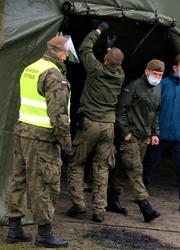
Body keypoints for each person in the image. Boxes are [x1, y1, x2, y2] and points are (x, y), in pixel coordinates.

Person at [5, 35, 77, 248]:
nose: (66, 59)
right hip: (43, 138)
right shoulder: (54, 76)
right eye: (66, 55)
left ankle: (14, 229)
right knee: (45, 184)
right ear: (62, 54)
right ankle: (44, 233)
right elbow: (59, 114)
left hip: (22, 132)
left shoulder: (31, 68)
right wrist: (66, 143)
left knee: (18, 180)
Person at [67, 21, 125, 223]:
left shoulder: (95, 70)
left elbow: (84, 48)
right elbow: (113, 62)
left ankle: (78, 204)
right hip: (108, 127)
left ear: (104, 59)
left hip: (90, 123)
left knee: (76, 163)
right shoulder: (120, 75)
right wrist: (110, 49)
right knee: (102, 168)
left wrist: (98, 31)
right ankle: (99, 210)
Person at [107, 59, 164, 222]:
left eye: (160, 75)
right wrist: (125, 133)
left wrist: (154, 133)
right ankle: (145, 207)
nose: (158, 77)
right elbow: (121, 110)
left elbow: (155, 113)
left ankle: (112, 199)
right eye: (155, 74)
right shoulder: (133, 87)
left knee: (125, 169)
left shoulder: (157, 90)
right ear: (147, 71)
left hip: (143, 138)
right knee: (136, 170)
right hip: (131, 137)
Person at [142, 54, 180, 212]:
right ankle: (141, 195)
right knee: (149, 164)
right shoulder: (162, 84)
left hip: (179, 135)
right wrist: (151, 132)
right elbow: (152, 110)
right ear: (174, 67)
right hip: (159, 134)